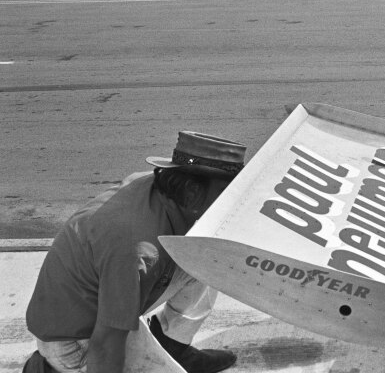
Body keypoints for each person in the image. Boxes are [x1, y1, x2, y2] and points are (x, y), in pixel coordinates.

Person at [24, 131, 247, 373]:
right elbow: (107, 343)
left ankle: (173, 346)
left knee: (209, 253)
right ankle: (48, 369)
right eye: (227, 192)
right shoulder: (139, 250)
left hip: (102, 304)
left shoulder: (157, 189)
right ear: (192, 193)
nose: (233, 200)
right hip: (76, 342)